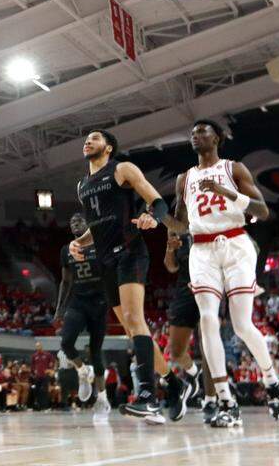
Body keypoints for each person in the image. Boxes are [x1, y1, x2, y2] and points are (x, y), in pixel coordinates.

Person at [173, 120, 279, 428]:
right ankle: (225, 398)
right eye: (193, 132)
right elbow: (180, 224)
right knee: (207, 319)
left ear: (218, 138)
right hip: (201, 250)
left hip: (235, 243)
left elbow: (263, 212)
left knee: (241, 325)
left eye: (202, 131)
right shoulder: (184, 179)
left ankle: (272, 380)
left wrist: (227, 192)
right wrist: (155, 219)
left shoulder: (234, 169)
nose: (196, 135)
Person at [69, 129, 187, 423]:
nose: (88, 141)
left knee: (136, 320)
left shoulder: (122, 169)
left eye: (95, 138)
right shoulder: (82, 184)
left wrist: (152, 217)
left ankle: (147, 396)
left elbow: (158, 202)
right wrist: (79, 242)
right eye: (86, 139)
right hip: (106, 262)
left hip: (131, 251)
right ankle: (173, 383)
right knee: (134, 330)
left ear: (108, 147)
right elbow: (96, 227)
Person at [55, 213, 111, 420]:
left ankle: (103, 398)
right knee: (66, 342)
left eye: (79, 221)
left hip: (99, 303)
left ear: (88, 224)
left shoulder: (99, 244)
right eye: (72, 222)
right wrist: (59, 308)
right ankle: (81, 370)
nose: (75, 224)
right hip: (78, 302)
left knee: (96, 352)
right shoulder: (66, 250)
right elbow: (65, 281)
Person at [162, 232, 218, 424]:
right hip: (184, 289)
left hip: (210, 286)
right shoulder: (176, 227)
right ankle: (194, 374)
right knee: (176, 353)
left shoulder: (207, 219)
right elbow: (171, 267)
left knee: (207, 346)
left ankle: (211, 401)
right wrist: (170, 248)